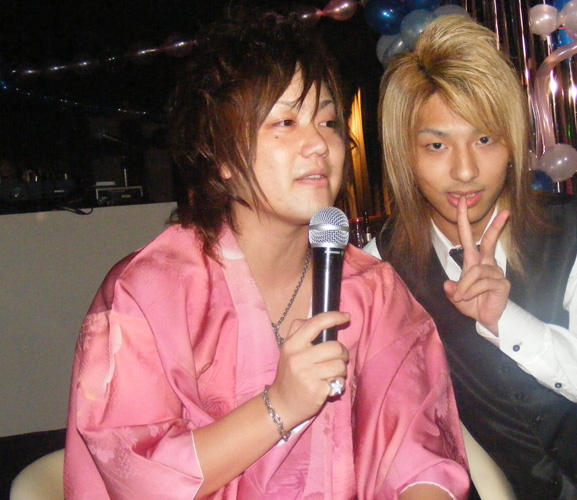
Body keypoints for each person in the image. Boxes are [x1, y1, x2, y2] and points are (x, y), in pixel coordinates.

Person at [63, 12, 471, 500]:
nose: (319, 144)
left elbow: (417, 449)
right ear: (221, 156)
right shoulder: (150, 292)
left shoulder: (371, 291)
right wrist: (279, 406)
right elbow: (135, 475)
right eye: (285, 122)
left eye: (328, 121)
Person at [365, 14, 577, 500]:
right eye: (437, 145)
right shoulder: (380, 269)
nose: (465, 170)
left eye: (485, 139)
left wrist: (507, 320)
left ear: (512, 143)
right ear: (405, 155)